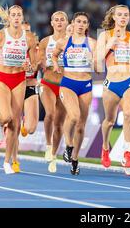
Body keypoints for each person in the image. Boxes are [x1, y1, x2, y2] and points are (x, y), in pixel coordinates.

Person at [0, 3, 36, 174]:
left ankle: (7, 162)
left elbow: (34, 64)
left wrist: (30, 66)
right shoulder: (0, 36)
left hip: (19, 80)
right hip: (3, 79)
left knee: (15, 123)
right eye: (14, 15)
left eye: (19, 15)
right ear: (9, 18)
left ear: (23, 18)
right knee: (6, 116)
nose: (17, 17)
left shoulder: (29, 38)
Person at [50, 12, 96, 175]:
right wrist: (55, 65)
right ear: (73, 24)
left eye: (84, 22)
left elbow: (98, 67)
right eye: (78, 22)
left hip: (85, 84)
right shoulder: (64, 42)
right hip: (68, 83)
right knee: (74, 116)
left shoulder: (92, 43)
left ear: (87, 25)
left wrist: (94, 61)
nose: (81, 24)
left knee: (81, 126)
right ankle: (69, 145)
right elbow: (54, 55)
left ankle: (75, 159)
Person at [96, 4, 130, 176]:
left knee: (129, 113)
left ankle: (126, 152)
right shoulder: (105, 35)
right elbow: (97, 61)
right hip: (111, 84)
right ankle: (105, 147)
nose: (123, 17)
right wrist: (111, 45)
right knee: (109, 121)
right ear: (113, 17)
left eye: (126, 15)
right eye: (120, 15)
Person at [38, 11, 68, 164]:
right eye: (56, 20)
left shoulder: (71, 41)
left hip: (65, 85)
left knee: (59, 123)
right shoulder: (45, 41)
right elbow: (40, 62)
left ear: (67, 23)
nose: (59, 22)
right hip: (48, 83)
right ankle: (48, 145)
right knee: (49, 114)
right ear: (51, 23)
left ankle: (54, 153)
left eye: (62, 20)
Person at [20, 21, 40, 137]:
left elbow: (40, 65)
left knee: (30, 129)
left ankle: (24, 120)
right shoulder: (10, 47)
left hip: (29, 86)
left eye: (27, 31)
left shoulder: (37, 49)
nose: (25, 34)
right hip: (13, 87)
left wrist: (34, 65)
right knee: (10, 119)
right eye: (22, 31)